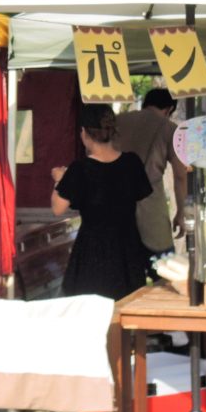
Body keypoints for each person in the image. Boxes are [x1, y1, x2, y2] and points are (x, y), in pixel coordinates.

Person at [51, 104, 153, 301]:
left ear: (84, 133)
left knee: (91, 309)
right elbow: (143, 197)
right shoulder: (132, 163)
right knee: (128, 307)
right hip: (127, 246)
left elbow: (57, 208)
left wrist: (59, 179)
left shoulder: (80, 169)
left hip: (92, 250)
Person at [115, 89, 189, 260]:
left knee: (125, 275)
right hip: (151, 208)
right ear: (168, 109)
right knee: (163, 269)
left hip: (115, 207)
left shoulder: (118, 121)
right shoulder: (169, 128)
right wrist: (180, 212)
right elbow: (180, 175)